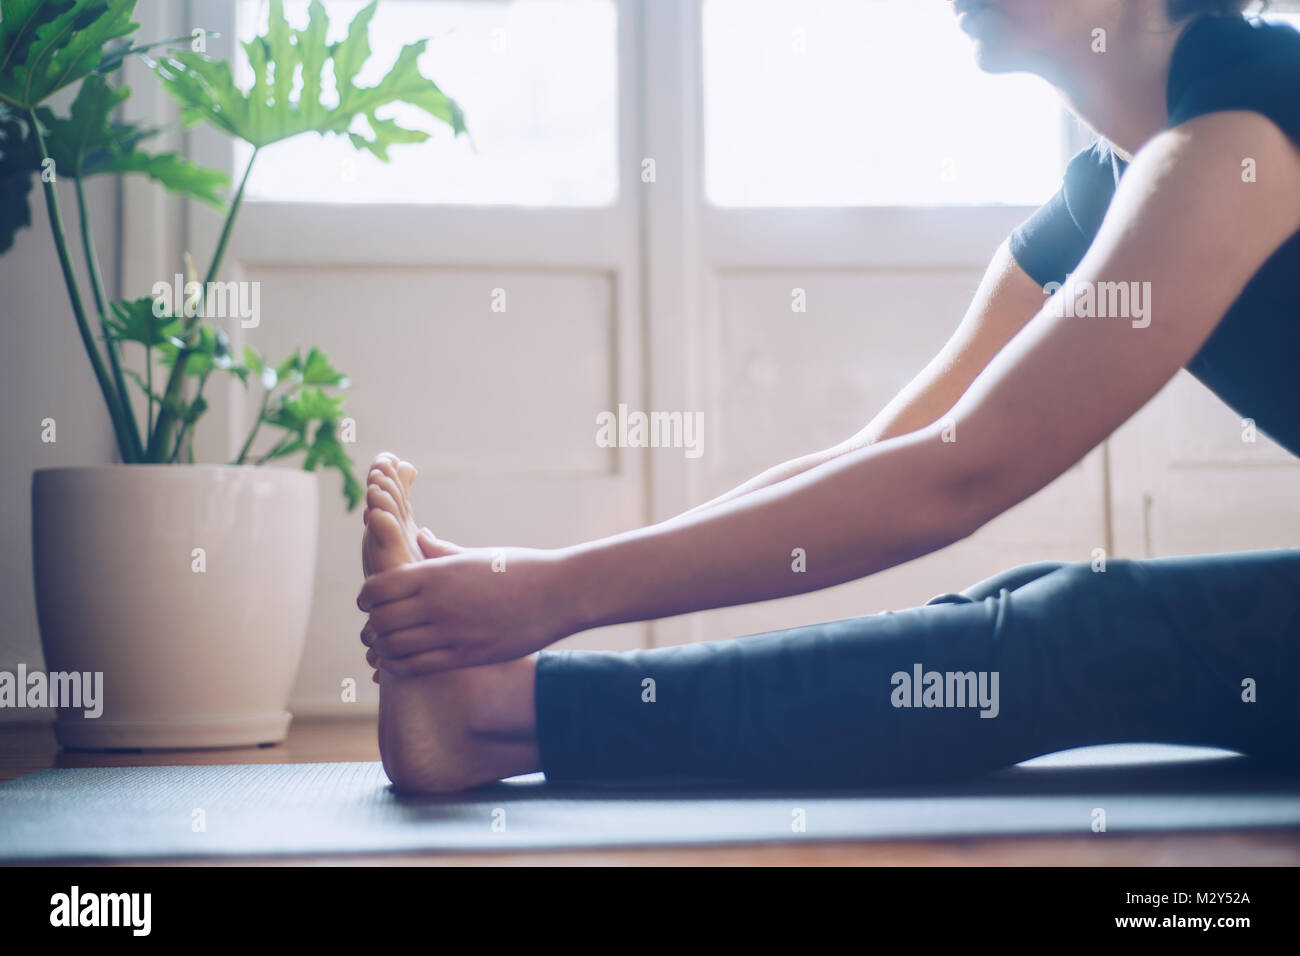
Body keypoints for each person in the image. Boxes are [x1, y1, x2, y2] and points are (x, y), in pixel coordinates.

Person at [357, 0, 1300, 793]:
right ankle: (496, 712)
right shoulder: (1103, 191)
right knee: (1020, 609)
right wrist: (541, 577)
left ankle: (498, 717)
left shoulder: (1246, 124)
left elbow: (961, 476)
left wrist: (552, 594)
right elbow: (891, 453)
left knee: (1089, 629)